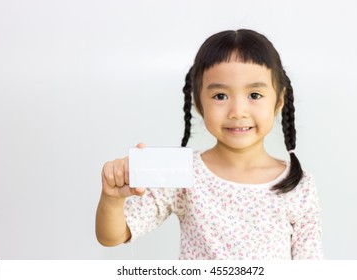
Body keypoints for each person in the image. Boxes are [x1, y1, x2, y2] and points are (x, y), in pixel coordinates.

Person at [96, 29, 323, 259]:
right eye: (220, 96)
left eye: (254, 95)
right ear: (198, 103)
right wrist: (113, 198)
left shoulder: (299, 185)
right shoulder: (183, 172)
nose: (237, 112)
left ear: (279, 101)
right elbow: (112, 235)